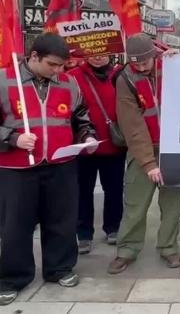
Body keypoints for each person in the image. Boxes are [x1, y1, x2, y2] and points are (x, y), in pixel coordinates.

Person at [0, 33, 97, 305]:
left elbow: (81, 117)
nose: (58, 71)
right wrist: (12, 138)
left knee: (62, 221)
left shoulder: (69, 82)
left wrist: (87, 136)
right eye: (52, 64)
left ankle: (60, 267)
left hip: (60, 164)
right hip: (16, 168)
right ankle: (13, 277)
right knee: (15, 225)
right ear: (34, 57)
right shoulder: (0, 80)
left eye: (62, 65)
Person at [108, 33, 180, 274]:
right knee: (135, 204)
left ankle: (169, 247)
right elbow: (132, 125)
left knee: (172, 203)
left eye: (145, 62)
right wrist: (149, 164)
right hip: (143, 149)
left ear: (154, 55)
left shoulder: (171, 65)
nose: (140, 67)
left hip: (173, 148)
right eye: (136, 63)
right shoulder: (125, 78)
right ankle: (127, 250)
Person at [68, 54, 127, 255]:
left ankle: (113, 226)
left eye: (102, 51)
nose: (98, 56)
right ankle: (83, 233)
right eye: (93, 51)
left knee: (115, 189)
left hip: (114, 143)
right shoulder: (73, 76)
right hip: (84, 145)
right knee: (82, 191)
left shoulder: (120, 75)